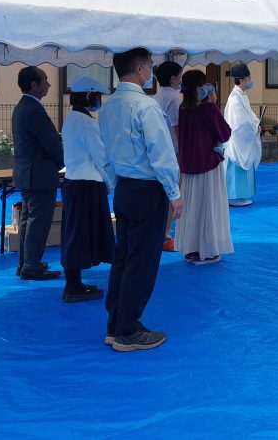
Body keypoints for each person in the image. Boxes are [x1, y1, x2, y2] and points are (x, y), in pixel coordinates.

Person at [99, 48, 183, 353]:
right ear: (138, 68)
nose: (151, 71)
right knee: (142, 263)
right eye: (149, 66)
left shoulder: (109, 107)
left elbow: (105, 152)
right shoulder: (144, 107)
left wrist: (112, 184)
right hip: (148, 190)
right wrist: (174, 193)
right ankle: (128, 330)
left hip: (124, 188)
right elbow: (161, 153)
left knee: (123, 259)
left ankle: (116, 324)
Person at [59, 76, 116, 303]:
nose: (99, 100)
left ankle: (74, 283)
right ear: (89, 95)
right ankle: (73, 287)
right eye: (98, 96)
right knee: (80, 236)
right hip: (87, 185)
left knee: (74, 234)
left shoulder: (71, 119)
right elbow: (101, 157)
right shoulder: (87, 123)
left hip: (75, 182)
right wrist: (111, 183)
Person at [12, 66, 64, 281]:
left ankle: (26, 263)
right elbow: (49, 141)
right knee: (38, 222)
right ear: (33, 84)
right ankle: (30, 266)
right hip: (39, 175)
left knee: (28, 220)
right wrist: (65, 161)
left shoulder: (23, 107)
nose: (49, 84)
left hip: (28, 173)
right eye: (44, 80)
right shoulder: (33, 109)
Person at [176, 71, 233, 265]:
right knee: (208, 206)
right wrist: (214, 102)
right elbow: (225, 133)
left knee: (191, 208)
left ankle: (191, 249)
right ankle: (207, 250)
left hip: (188, 165)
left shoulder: (182, 109)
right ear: (201, 88)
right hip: (208, 163)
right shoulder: (208, 109)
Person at [154, 61, 183, 252]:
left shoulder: (157, 97)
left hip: (159, 150)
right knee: (172, 194)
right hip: (173, 151)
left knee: (160, 195)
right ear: (173, 77)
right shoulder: (174, 98)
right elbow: (176, 127)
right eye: (180, 75)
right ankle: (165, 237)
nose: (181, 79)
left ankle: (160, 235)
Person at [223, 63, 262, 207]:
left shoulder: (241, 96)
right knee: (237, 165)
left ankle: (241, 195)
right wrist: (254, 126)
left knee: (244, 165)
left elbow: (249, 115)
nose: (250, 80)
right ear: (242, 80)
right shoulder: (234, 99)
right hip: (237, 141)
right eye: (248, 78)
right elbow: (239, 123)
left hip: (245, 138)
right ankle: (234, 196)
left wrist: (256, 123)